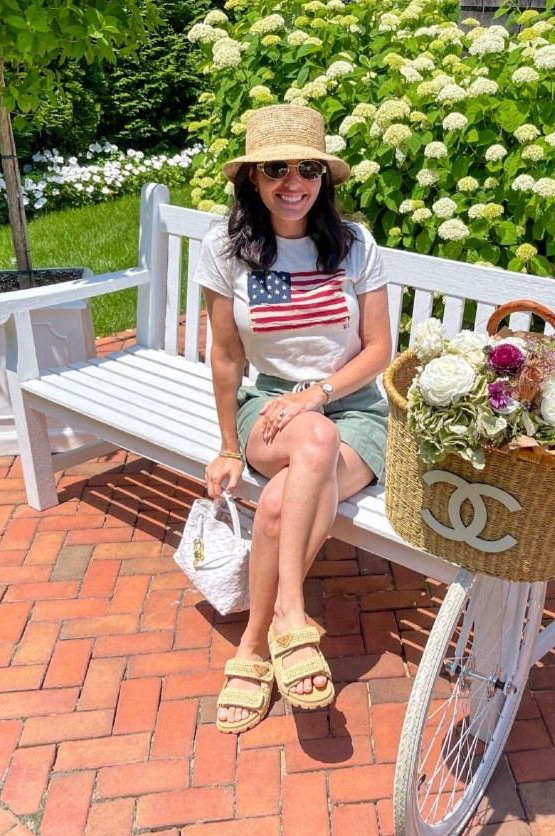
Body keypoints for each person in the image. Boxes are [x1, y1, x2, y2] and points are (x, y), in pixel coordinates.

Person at [193, 105, 392, 735]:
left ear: (323, 176)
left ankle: (257, 641)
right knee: (313, 436)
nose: (293, 182)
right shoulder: (226, 249)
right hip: (269, 407)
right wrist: (229, 447)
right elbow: (227, 356)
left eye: (308, 168)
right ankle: (290, 616)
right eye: (276, 168)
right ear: (252, 177)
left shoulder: (355, 246)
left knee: (281, 500)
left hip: (355, 409)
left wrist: (319, 394)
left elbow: (379, 349)